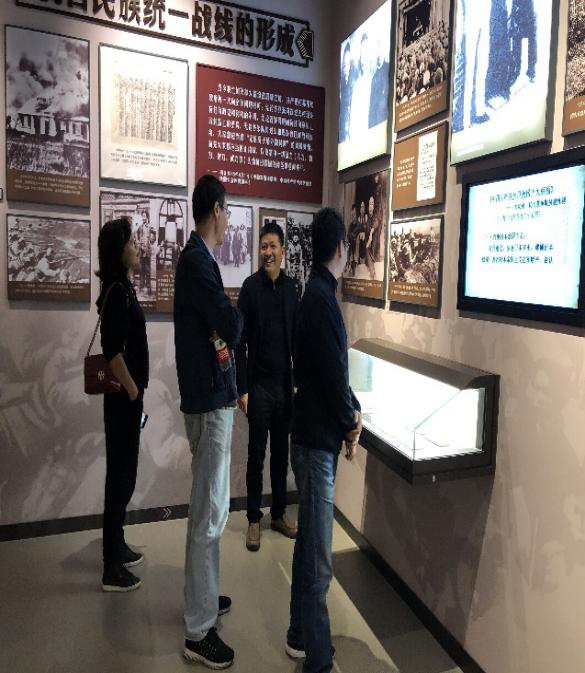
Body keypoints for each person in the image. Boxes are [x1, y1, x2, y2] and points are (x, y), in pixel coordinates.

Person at [285, 208, 362, 673]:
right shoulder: (321, 299)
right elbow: (334, 376)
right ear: (340, 249)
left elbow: (332, 370)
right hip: (316, 444)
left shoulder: (315, 293)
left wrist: (350, 412)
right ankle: (318, 661)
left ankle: (299, 633)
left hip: (312, 435)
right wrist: (351, 419)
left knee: (308, 546)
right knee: (318, 560)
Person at [174, 175, 243, 669]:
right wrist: (237, 316)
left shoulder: (200, 260)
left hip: (210, 396)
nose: (229, 218)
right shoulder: (198, 262)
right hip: (208, 401)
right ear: (216, 209)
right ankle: (198, 632)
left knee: (211, 512)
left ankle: (205, 596)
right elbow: (230, 325)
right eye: (228, 210)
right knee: (208, 513)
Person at [235, 221, 299, 553]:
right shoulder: (250, 288)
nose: (268, 252)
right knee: (256, 457)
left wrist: (297, 383)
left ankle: (278, 514)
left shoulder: (291, 289)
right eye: (264, 246)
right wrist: (242, 388)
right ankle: (253, 519)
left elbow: (298, 340)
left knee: (280, 456)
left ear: (283, 251)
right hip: (258, 387)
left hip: (285, 387)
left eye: (273, 246)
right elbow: (239, 343)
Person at [96, 217, 149, 592]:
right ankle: (110, 567)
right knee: (120, 478)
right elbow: (112, 352)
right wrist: (132, 392)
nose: (137, 246)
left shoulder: (122, 288)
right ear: (119, 250)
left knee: (124, 474)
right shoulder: (117, 293)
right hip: (122, 400)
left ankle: (117, 545)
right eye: (131, 242)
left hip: (127, 398)